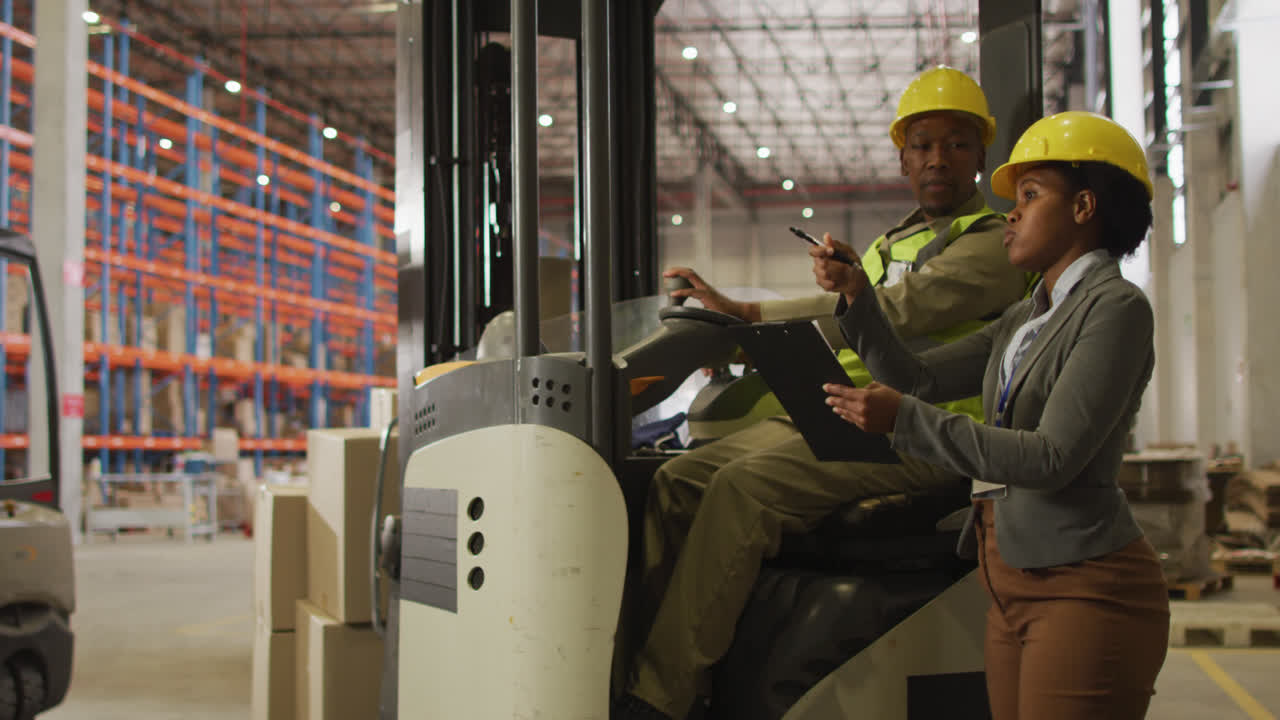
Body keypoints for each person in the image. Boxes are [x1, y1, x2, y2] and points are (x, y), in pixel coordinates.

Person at [612, 66, 1029, 720]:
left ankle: (656, 700)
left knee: (740, 492)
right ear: (902, 160)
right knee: (677, 480)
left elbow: (893, 310)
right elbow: (854, 313)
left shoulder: (994, 245)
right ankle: (665, 663)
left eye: (955, 143)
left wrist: (748, 312)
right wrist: (736, 317)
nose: (937, 158)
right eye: (921, 145)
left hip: (920, 434)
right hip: (841, 417)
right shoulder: (893, 242)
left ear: (981, 156)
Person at [819, 111, 1169, 719]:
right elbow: (917, 378)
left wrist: (905, 422)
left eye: (1030, 196)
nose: (1011, 212)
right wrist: (857, 296)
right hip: (1008, 580)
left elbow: (1051, 457)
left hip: (1083, 586)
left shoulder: (1115, 309)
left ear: (1084, 207)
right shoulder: (1025, 318)